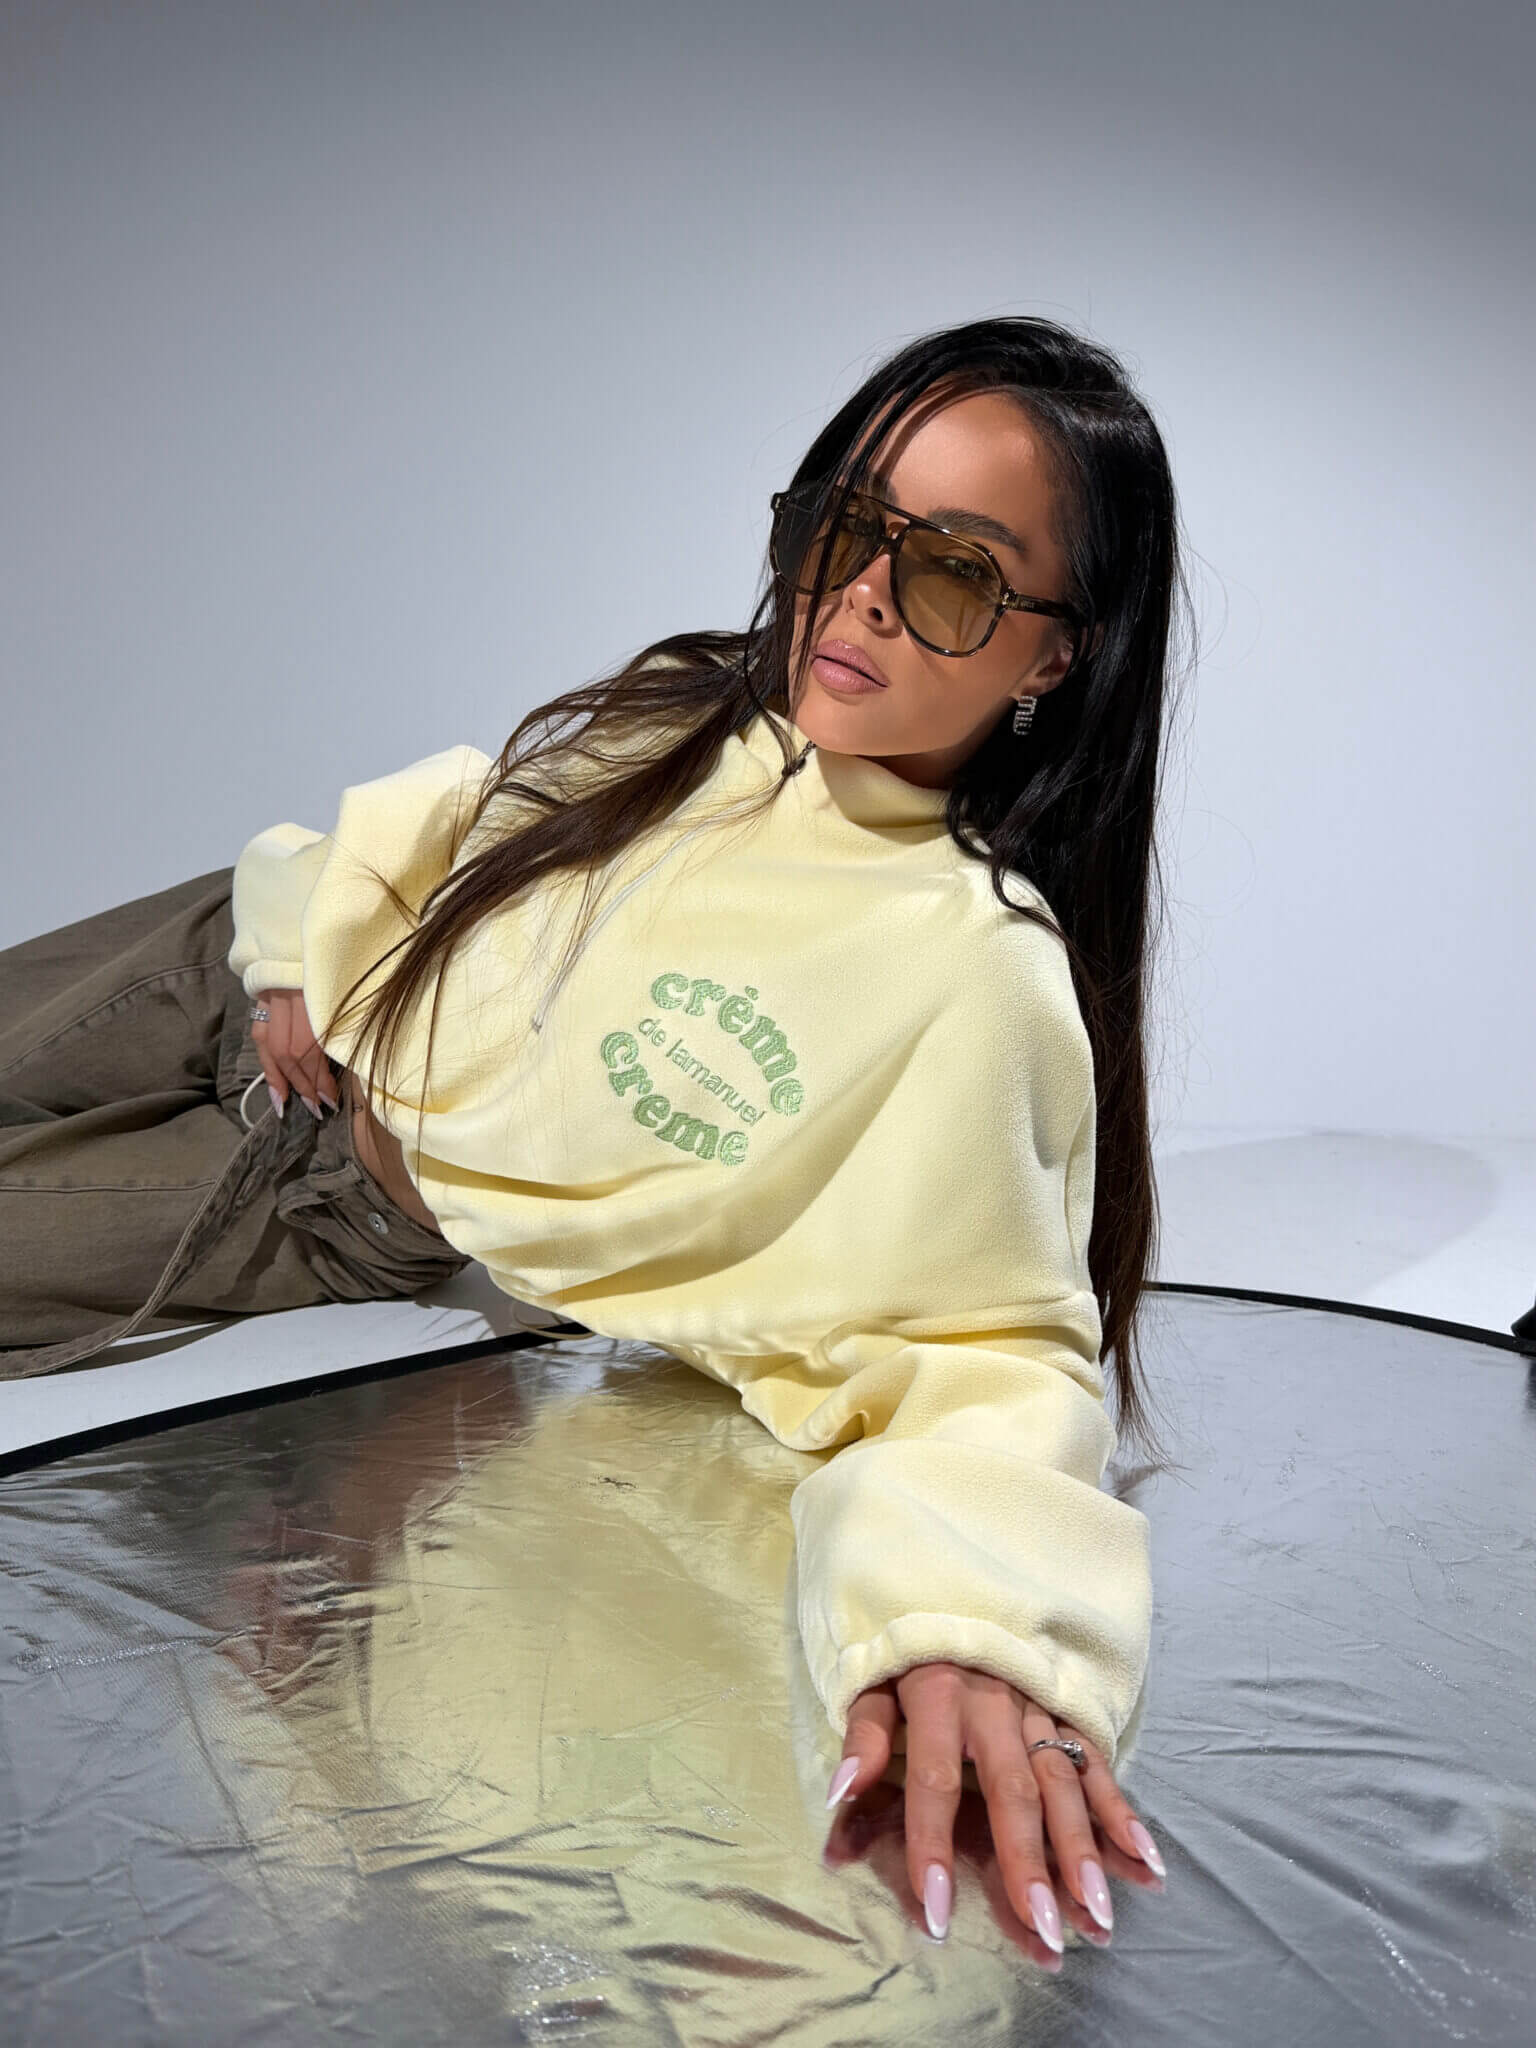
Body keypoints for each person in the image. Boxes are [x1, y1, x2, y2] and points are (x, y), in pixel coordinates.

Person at [0, 314, 1186, 1954]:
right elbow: (450, 811)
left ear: (1054, 655)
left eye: (953, 574)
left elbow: (984, 1351)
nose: (857, 594)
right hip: (247, 970)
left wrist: (965, 1627)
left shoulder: (968, 970)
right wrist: (284, 949)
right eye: (845, 525)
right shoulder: (698, 715)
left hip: (319, 1195)